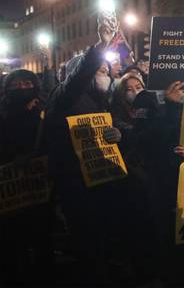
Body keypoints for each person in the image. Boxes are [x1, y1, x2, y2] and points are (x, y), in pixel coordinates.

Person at [43, 17, 124, 283]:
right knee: (87, 234)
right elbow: (79, 77)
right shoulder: (67, 96)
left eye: (106, 71)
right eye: (99, 71)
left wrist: (117, 134)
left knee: (103, 231)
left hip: (99, 178)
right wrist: (101, 44)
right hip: (75, 180)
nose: (106, 74)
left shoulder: (100, 100)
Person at [0, 69, 54, 285]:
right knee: (12, 238)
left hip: (40, 183)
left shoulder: (45, 111)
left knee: (42, 234)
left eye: (26, 83)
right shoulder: (3, 113)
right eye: (16, 84)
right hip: (10, 186)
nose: (21, 88)